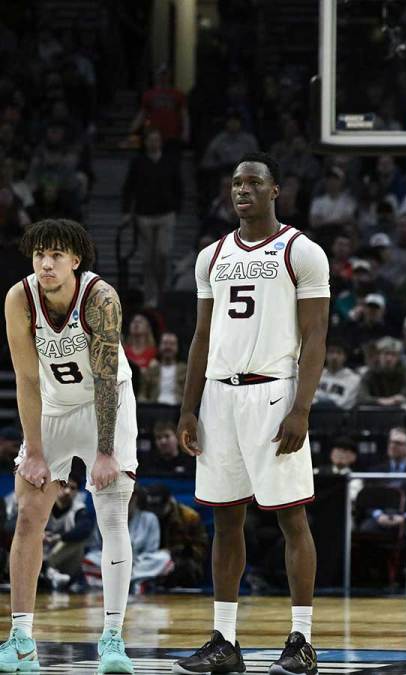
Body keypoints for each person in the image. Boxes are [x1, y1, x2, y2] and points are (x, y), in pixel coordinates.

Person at [174, 152, 329, 675]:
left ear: (275, 190)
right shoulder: (211, 256)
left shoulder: (301, 251)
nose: (243, 190)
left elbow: (315, 338)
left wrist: (301, 407)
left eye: (254, 182)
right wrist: (188, 408)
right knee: (225, 519)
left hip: (273, 393)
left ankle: (301, 640)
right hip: (219, 396)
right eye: (236, 183)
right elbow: (201, 337)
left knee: (291, 517)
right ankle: (224, 640)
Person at [3, 218, 138, 671]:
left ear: (75, 260)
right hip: (54, 408)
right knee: (27, 517)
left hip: (107, 404)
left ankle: (113, 640)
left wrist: (104, 450)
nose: (46, 263)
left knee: (112, 516)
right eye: (40, 254)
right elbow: (25, 378)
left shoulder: (100, 299)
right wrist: (36, 450)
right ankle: (21, 640)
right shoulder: (19, 298)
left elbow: (104, 376)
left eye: (57, 254)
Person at [121, 126, 182, 304]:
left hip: (166, 214)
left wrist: (176, 209)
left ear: (161, 142)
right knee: (147, 259)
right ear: (146, 142)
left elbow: (179, 187)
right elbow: (128, 188)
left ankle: (163, 291)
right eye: (150, 140)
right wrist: (126, 212)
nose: (154, 143)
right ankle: (150, 296)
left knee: (163, 253)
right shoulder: (138, 162)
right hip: (144, 215)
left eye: (156, 139)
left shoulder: (170, 161)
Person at [138, 331, 185, 404]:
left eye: (172, 344)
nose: (168, 347)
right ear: (159, 346)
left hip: (178, 408)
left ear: (177, 347)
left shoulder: (186, 370)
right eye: (165, 343)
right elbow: (142, 394)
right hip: (156, 409)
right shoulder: (151, 370)